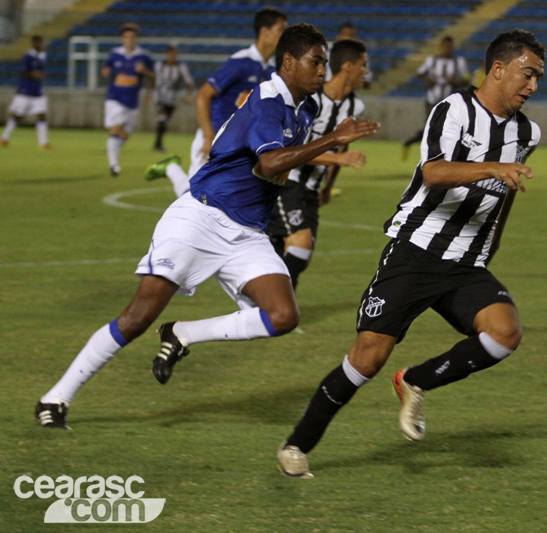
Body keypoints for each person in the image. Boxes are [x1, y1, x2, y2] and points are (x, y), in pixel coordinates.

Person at [34, 23, 380, 431]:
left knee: (283, 315)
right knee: (137, 316)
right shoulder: (269, 101)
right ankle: (55, 398)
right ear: (289, 62)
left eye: (325, 62)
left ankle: (182, 334)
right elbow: (269, 163)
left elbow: (271, 164)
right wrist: (332, 143)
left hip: (246, 231)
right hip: (201, 216)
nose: (323, 71)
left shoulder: (304, 110)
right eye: (316, 61)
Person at [276, 29, 545, 478]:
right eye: (528, 74)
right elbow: (434, 172)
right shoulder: (453, 110)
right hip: (416, 253)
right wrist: (493, 166)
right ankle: (297, 444)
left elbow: (507, 189)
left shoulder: (527, 131)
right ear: (498, 69)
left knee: (505, 332)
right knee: (367, 357)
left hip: (465, 263)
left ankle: (417, 380)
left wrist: (491, 242)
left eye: (538, 78)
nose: (533, 86)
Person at [144, 8, 287, 198]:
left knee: (220, 200)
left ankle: (172, 168)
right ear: (264, 32)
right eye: (281, 30)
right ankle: (171, 168)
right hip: (215, 139)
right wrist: (208, 137)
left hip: (236, 144)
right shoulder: (241, 62)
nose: (285, 36)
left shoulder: (270, 70)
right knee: (192, 198)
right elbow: (203, 95)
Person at [267, 39, 370, 290]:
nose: (366, 71)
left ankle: (269, 300)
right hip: (287, 181)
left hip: (311, 188)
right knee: (300, 243)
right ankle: (271, 304)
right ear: (347, 67)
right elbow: (293, 149)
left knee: (298, 252)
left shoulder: (355, 105)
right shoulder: (312, 98)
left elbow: (341, 145)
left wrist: (328, 185)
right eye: (363, 65)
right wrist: (338, 158)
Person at [400, 35, 469, 161]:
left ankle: (444, 155)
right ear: (440, 47)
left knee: (449, 128)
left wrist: (455, 81)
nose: (447, 49)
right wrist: (428, 80)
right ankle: (431, 154)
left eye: (449, 46)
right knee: (432, 128)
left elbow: (466, 80)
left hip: (450, 103)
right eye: (445, 46)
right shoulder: (432, 60)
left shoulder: (459, 62)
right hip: (432, 100)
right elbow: (420, 73)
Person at [101, 23, 155, 176]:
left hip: (132, 101)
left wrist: (144, 72)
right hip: (114, 98)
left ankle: (114, 157)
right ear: (122, 39)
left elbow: (153, 76)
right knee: (116, 129)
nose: (130, 40)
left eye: (133, 37)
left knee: (125, 134)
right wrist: (105, 71)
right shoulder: (114, 54)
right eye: (127, 37)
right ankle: (113, 165)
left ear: (136, 39)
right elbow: (105, 70)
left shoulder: (144, 56)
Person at [1, 35, 51, 149]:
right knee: (18, 116)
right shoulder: (28, 57)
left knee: (42, 115)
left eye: (41, 42)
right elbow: (22, 72)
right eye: (37, 43)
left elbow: (41, 72)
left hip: (37, 92)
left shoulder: (42, 57)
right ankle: (4, 137)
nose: (39, 45)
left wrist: (41, 75)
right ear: (33, 43)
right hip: (25, 91)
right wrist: (34, 75)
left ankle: (43, 143)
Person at [152, 45, 195, 152]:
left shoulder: (181, 67)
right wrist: (149, 92)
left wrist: (188, 95)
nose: (172, 56)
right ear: (166, 54)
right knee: (162, 118)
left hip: (172, 98)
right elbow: (153, 78)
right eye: (170, 54)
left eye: (174, 54)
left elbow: (189, 82)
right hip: (160, 97)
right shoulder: (159, 65)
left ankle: (158, 142)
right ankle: (158, 144)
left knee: (165, 121)